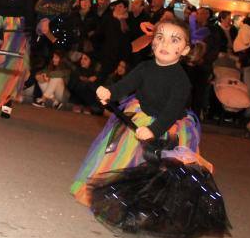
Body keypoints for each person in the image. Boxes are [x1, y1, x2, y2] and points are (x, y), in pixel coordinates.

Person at [71, 19, 201, 205]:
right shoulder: (145, 67)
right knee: (124, 157)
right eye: (160, 37)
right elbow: (126, 85)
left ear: (185, 50)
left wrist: (154, 130)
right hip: (140, 117)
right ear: (152, 42)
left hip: (166, 127)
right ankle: (116, 196)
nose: (164, 43)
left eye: (174, 40)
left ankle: (146, 203)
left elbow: (171, 111)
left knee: (154, 168)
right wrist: (110, 92)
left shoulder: (181, 80)